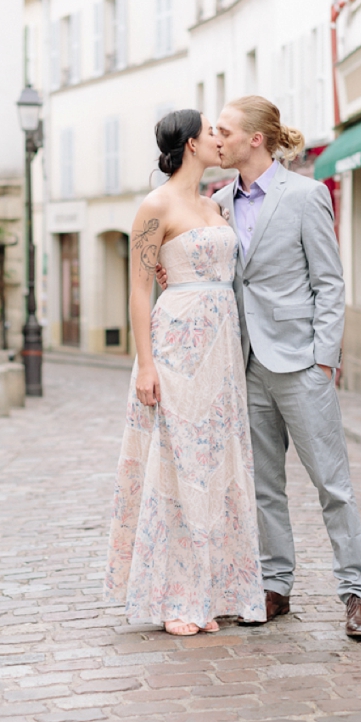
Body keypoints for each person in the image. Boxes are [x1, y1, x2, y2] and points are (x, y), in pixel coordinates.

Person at [158, 96, 361, 640]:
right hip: (245, 362)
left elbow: (329, 282)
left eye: (226, 131)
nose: (217, 139)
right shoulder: (219, 202)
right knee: (263, 486)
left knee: (332, 483)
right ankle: (275, 585)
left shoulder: (305, 196)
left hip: (302, 362)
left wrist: (325, 358)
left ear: (254, 139)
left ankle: (357, 594)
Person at [104, 108, 266, 636]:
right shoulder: (155, 206)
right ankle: (173, 598)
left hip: (221, 351)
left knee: (215, 467)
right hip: (174, 346)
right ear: (193, 144)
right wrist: (146, 364)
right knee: (175, 465)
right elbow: (137, 288)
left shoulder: (215, 203)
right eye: (213, 133)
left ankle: (206, 590)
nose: (221, 140)